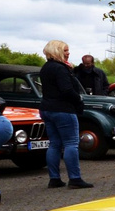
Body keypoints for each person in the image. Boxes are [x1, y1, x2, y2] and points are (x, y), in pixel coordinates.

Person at [38, 40, 92, 190]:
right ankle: (75, 178)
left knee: (54, 144)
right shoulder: (60, 69)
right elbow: (67, 90)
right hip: (63, 109)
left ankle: (54, 178)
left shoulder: (45, 68)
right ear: (57, 51)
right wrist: (78, 98)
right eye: (66, 50)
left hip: (47, 108)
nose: (68, 53)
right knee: (71, 143)